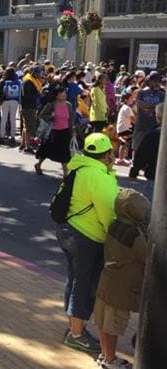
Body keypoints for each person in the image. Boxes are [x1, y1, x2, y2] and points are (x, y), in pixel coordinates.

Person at [56, 133, 118, 355]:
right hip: (87, 236)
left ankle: (74, 325)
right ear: (107, 154)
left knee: (74, 279)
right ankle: (77, 335)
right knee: (85, 284)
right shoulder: (99, 178)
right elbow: (109, 215)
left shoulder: (80, 167)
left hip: (68, 230)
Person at [94, 189, 150, 369]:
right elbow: (147, 256)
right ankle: (110, 361)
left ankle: (105, 355)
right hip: (122, 287)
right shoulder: (133, 235)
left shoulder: (114, 225)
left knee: (103, 322)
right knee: (113, 325)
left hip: (108, 278)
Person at [34, 87, 74, 176]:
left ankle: (65, 175)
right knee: (46, 151)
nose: (64, 95)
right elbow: (42, 115)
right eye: (62, 93)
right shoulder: (51, 105)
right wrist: (51, 117)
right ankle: (38, 164)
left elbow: (71, 119)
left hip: (65, 132)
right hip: (53, 133)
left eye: (64, 93)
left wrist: (72, 131)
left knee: (65, 154)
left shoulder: (68, 105)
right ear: (56, 95)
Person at [132, 71, 164, 153]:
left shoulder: (163, 95)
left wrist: (149, 107)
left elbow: (162, 108)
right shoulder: (141, 93)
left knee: (153, 151)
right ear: (149, 81)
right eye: (154, 81)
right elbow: (140, 105)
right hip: (141, 127)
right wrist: (155, 107)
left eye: (158, 81)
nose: (157, 83)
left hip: (155, 128)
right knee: (137, 149)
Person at [129, 102, 161, 181]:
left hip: (155, 174)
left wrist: (135, 171)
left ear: (158, 117)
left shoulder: (155, 134)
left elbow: (143, 154)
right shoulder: (155, 133)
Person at [20, 67, 44, 153]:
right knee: (29, 127)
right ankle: (27, 147)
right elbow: (28, 95)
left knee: (26, 126)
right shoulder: (28, 81)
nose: (39, 75)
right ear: (33, 73)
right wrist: (38, 94)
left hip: (28, 106)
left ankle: (23, 144)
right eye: (37, 73)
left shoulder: (29, 80)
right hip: (28, 107)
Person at [0, 67, 21, 144]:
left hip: (5, 101)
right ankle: (12, 137)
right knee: (13, 119)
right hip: (14, 101)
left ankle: (2, 136)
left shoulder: (3, 81)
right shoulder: (17, 81)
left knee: (4, 118)